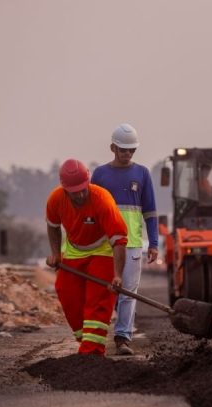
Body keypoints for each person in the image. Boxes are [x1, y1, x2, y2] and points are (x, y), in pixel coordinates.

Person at [45, 158, 128, 356]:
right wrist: (56, 254)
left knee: (98, 297)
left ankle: (92, 351)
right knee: (65, 290)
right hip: (74, 248)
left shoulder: (102, 200)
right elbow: (52, 226)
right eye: (75, 192)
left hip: (103, 250)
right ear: (65, 189)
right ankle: (87, 339)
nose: (81, 194)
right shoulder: (55, 199)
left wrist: (117, 275)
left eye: (84, 188)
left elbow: (119, 241)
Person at [91, 123, 158, 356]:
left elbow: (150, 212)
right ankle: (96, 337)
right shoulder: (100, 174)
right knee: (106, 292)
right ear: (112, 147)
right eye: (123, 149)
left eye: (131, 150)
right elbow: (91, 211)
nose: (127, 154)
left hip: (132, 245)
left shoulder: (142, 174)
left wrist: (155, 244)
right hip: (105, 244)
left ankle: (123, 337)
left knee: (129, 291)